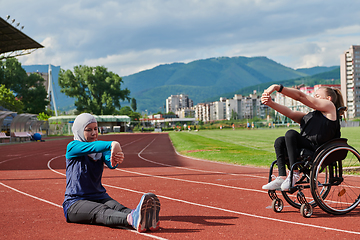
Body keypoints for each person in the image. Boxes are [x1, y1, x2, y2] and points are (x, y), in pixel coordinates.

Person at [62, 113, 161, 233]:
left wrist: (116, 158)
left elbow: (112, 164)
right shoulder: (73, 146)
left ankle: (146, 219)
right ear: (78, 130)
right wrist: (113, 144)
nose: (94, 133)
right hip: (75, 202)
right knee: (101, 210)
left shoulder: (101, 151)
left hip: (99, 197)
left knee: (119, 208)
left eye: (95, 128)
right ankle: (132, 219)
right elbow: (95, 146)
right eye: (88, 130)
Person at [261, 84, 346, 191]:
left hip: (319, 149)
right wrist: (270, 103)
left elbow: (301, 96)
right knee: (280, 141)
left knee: (291, 134)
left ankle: (294, 173)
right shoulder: (310, 116)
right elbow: (290, 113)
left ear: (328, 99)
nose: (314, 98)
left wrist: (278, 88)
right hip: (307, 147)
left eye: (317, 96)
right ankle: (282, 177)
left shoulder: (330, 108)